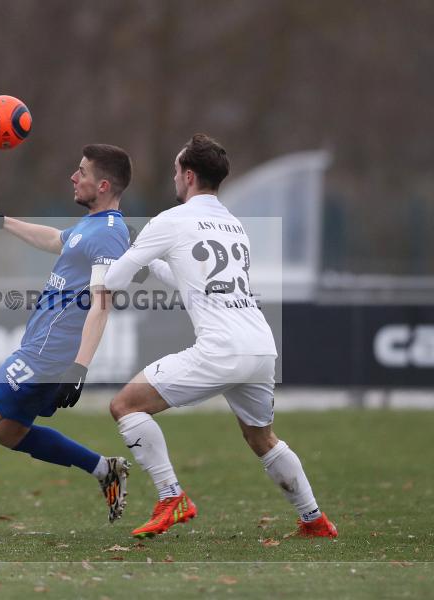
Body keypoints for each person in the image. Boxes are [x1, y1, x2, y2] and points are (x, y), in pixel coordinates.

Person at [103, 134, 337, 539]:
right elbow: (189, 282)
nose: (174, 178)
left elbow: (115, 279)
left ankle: (171, 496)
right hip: (261, 345)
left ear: (189, 175)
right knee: (261, 437)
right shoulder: (233, 225)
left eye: (176, 171)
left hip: (222, 348)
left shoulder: (172, 220)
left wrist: (109, 265)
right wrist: (150, 266)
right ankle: (315, 519)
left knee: (125, 405)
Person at [0, 144, 134, 544]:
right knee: (8, 433)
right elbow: (55, 240)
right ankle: (105, 469)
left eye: (81, 172)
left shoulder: (109, 235)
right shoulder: (91, 226)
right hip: (45, 350)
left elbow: (102, 304)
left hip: (48, 355)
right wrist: (3, 222)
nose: (73, 177)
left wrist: (78, 368)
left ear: (102, 185)